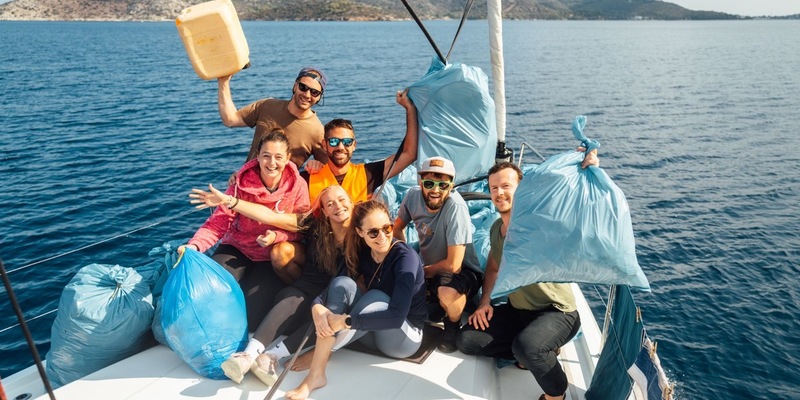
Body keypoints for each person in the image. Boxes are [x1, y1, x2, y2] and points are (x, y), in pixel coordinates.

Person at [456, 155, 597, 400]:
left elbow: (574, 207)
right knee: (467, 339)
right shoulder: (496, 230)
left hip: (557, 313)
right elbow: (492, 268)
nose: (499, 193)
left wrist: (586, 171)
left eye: (506, 186)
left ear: (522, 189)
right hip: (519, 311)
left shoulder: (540, 222)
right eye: (494, 188)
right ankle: (537, 349)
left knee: (526, 348)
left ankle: (557, 395)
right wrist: (485, 301)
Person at [191, 185, 354, 386]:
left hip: (331, 301)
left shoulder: (362, 231)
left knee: (327, 319)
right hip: (302, 292)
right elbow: (269, 216)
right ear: (325, 211)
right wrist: (230, 201)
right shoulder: (314, 224)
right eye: (330, 204)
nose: (338, 206)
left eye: (342, 199)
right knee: (293, 298)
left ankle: (271, 357)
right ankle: (247, 357)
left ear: (352, 201)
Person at [284, 200, 427, 400]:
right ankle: (322, 358)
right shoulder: (361, 251)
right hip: (371, 334)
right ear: (360, 232)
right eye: (373, 232)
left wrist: (345, 321)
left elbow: (396, 316)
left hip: (403, 338)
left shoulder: (405, 258)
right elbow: (331, 288)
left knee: (376, 298)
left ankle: (318, 366)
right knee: (342, 283)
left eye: (387, 228)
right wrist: (316, 307)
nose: (382, 236)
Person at [181, 126, 310, 332]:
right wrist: (194, 246)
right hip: (237, 247)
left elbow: (301, 229)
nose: (272, 163)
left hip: (269, 257)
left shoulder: (298, 186)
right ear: (257, 156)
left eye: (278, 156)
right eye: (266, 156)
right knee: (211, 290)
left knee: (253, 315)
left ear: (287, 158)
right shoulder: (240, 183)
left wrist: (276, 236)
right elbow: (218, 223)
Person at [393, 156, 484, 353]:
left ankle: (452, 326)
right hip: (429, 266)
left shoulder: (456, 207)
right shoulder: (411, 196)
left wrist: (420, 272)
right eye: (429, 183)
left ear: (451, 185)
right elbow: (397, 227)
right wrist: (404, 255)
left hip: (462, 270)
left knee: (446, 292)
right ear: (420, 182)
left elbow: (454, 265)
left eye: (443, 185)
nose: (436, 190)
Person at [304, 89, 418, 204]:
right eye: (334, 141)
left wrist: (410, 109)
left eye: (347, 142)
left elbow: (409, 154)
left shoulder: (367, 174)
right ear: (324, 144)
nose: (340, 147)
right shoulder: (308, 178)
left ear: (354, 145)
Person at [217, 67, 329, 169]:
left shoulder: (318, 132)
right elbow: (230, 120)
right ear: (295, 86)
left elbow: (329, 169)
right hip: (246, 183)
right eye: (303, 87)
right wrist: (223, 82)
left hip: (280, 191)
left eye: (314, 92)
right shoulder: (267, 106)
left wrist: (314, 166)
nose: (307, 95)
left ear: (319, 97)